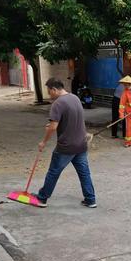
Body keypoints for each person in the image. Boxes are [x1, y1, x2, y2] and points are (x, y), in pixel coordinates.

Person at [36, 78, 96, 208]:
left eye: (49, 91)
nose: (50, 95)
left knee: (53, 172)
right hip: (81, 144)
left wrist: (43, 142)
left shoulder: (58, 104)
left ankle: (42, 198)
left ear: (54, 89)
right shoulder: (75, 98)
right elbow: (75, 119)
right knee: (84, 173)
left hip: (66, 147)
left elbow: (52, 127)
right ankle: (90, 199)